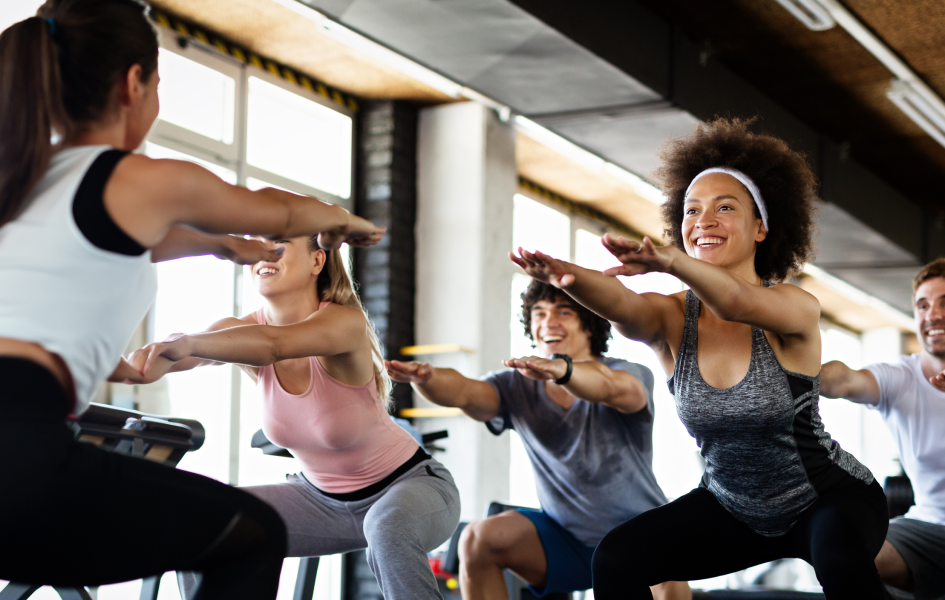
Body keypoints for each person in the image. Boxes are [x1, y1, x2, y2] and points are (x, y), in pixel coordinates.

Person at [0, 1, 384, 597]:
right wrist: (342, 221)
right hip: (20, 453)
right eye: (158, 83)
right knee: (252, 533)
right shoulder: (135, 179)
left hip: (23, 439)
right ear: (134, 84)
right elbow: (275, 209)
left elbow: (48, 297)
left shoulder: (19, 182)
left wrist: (226, 250)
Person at [511, 118, 889, 600]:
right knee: (616, 558)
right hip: (731, 506)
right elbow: (625, 303)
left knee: (840, 563)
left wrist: (671, 261)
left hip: (829, 499)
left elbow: (735, 302)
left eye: (724, 208)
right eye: (692, 210)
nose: (703, 221)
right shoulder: (672, 320)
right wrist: (570, 277)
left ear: (761, 228)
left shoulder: (794, 308)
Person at [129, 235, 461, 600]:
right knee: (204, 522)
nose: (263, 254)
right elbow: (157, 364)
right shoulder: (239, 331)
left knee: (384, 528)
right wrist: (110, 364)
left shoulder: (343, 323)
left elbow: (274, 344)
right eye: (257, 244)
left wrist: (188, 342)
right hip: (321, 502)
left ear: (317, 261)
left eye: (279, 243)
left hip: (412, 486)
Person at [387, 279, 691, 600]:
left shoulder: (628, 371)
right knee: (477, 540)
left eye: (563, 312)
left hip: (637, 536)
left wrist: (563, 370)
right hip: (566, 542)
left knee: (669, 576)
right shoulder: (516, 385)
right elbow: (466, 391)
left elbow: (613, 388)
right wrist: (427, 378)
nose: (549, 322)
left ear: (589, 324)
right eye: (539, 313)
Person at [820, 257, 945, 600]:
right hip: (929, 528)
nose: (932, 315)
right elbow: (845, 379)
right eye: (923, 305)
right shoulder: (902, 377)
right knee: (843, 556)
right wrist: (800, 377)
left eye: (943, 303)